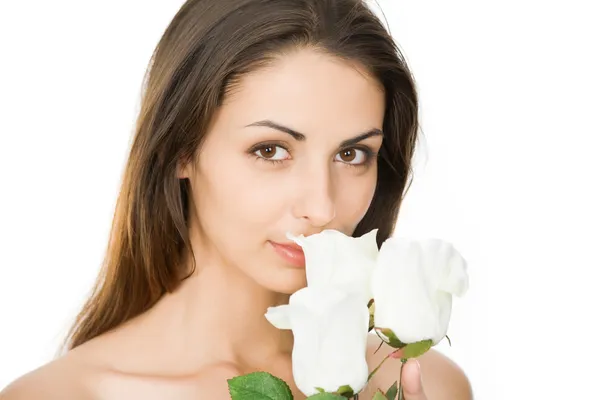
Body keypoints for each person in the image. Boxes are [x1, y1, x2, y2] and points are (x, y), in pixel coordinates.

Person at [1, 0, 472, 399]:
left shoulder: (423, 384)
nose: (322, 207)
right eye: (270, 151)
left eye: (352, 154)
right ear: (181, 149)